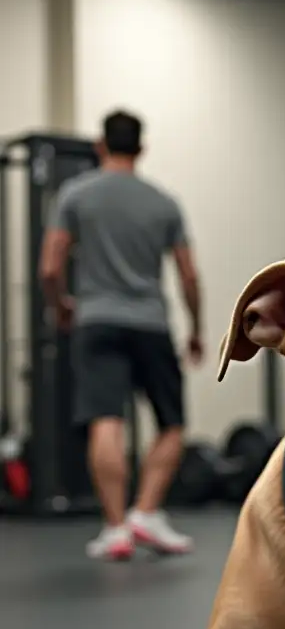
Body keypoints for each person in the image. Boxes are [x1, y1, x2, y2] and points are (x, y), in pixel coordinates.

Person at [40, 110, 203, 560]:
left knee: (105, 420)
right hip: (151, 322)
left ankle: (115, 529)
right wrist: (196, 329)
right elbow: (189, 276)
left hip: (95, 320)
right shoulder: (164, 202)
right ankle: (145, 512)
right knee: (172, 424)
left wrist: (61, 306)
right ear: (141, 148)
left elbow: (50, 268)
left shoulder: (75, 194)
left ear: (100, 145)